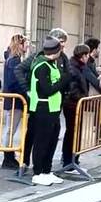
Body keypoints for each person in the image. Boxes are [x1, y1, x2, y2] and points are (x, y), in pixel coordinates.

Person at [26, 37, 70, 186]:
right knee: (41, 141)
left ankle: (46, 170)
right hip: (42, 108)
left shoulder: (52, 65)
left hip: (53, 109)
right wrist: (63, 80)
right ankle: (37, 172)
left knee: (51, 141)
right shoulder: (41, 66)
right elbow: (47, 89)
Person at [61, 43, 97, 171]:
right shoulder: (73, 68)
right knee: (72, 131)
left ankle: (74, 158)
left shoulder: (81, 67)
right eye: (87, 55)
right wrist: (82, 97)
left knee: (76, 132)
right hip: (72, 104)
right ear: (83, 56)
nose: (88, 57)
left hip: (77, 103)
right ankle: (68, 160)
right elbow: (72, 88)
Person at [1, 34, 28, 169]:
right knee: (10, 129)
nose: (27, 46)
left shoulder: (12, 59)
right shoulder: (14, 61)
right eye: (26, 44)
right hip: (15, 99)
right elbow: (14, 81)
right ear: (20, 45)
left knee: (10, 129)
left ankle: (9, 156)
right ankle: (8, 157)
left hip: (14, 98)